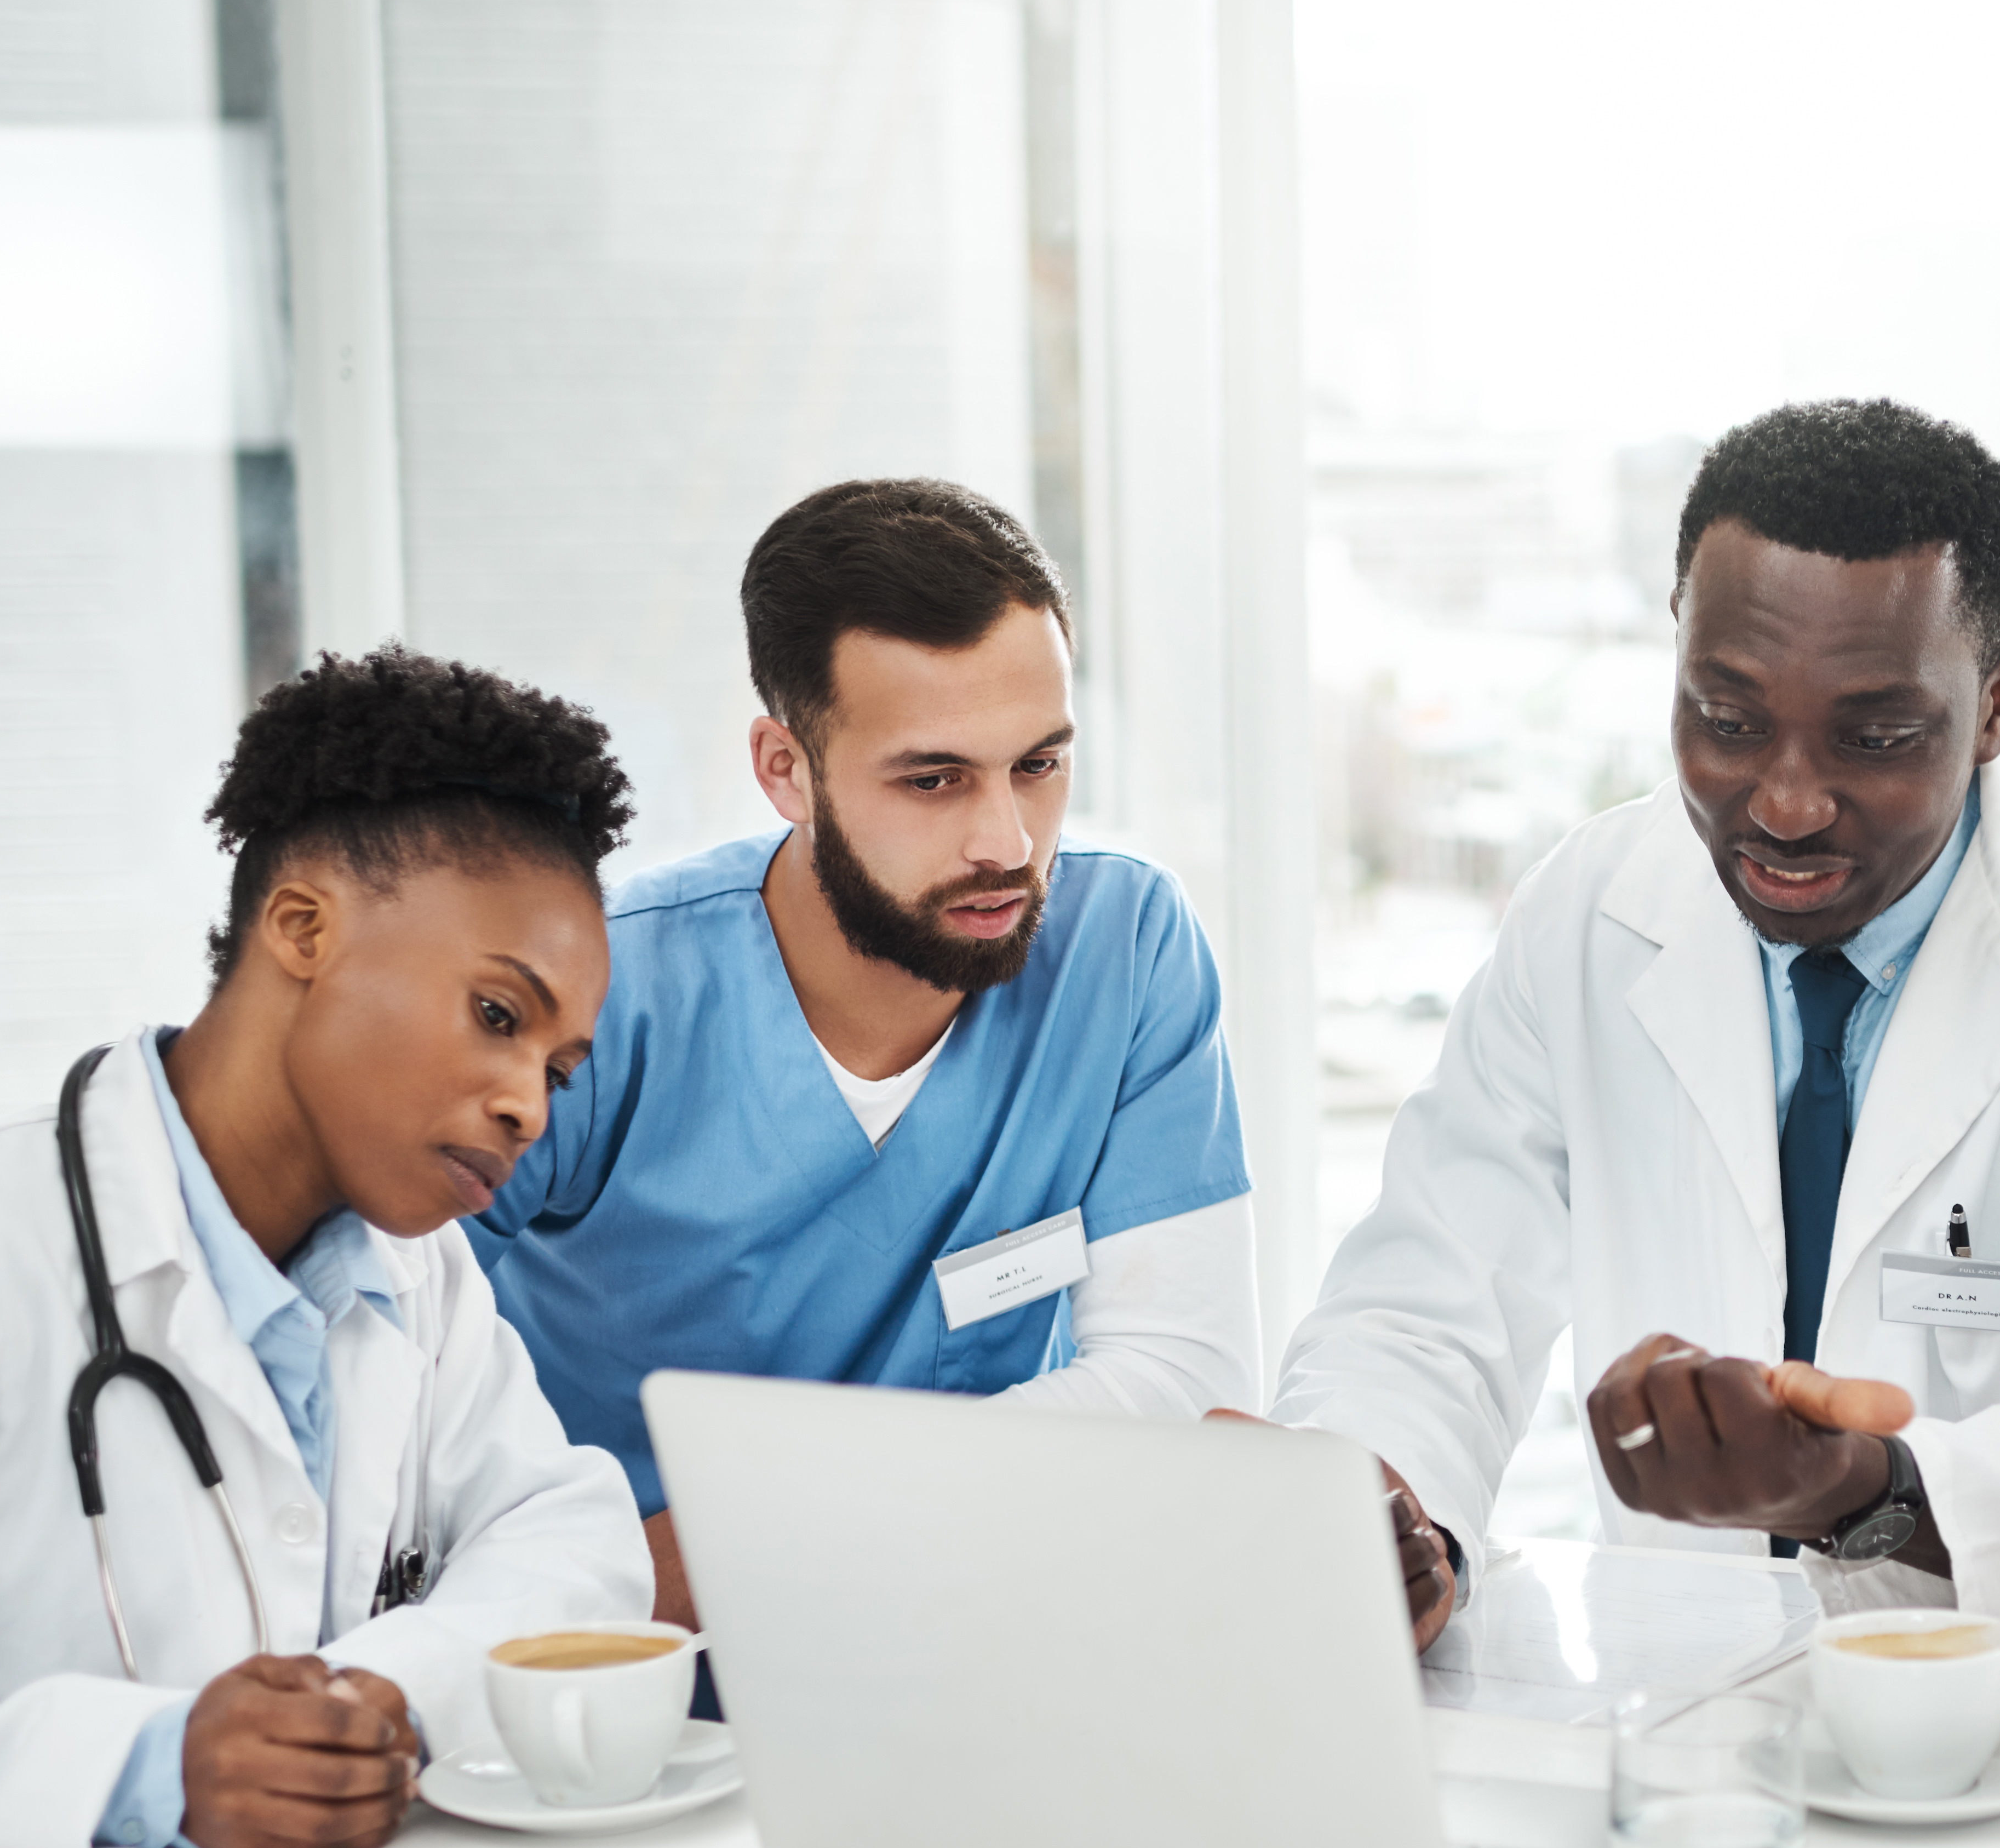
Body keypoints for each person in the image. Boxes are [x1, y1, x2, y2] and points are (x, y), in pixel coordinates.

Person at [1273, 399, 2000, 1655]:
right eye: (1725, 719)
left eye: (1874, 737)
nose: (1784, 801)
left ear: (1998, 698)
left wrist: (1870, 1490)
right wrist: (1394, 1515)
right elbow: (1425, 1304)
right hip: (1684, 1693)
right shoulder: (1589, 911)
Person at [460, 483, 1425, 1649]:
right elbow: (402, 1392)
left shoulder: (1123, 948)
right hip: (643, 1686)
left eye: (1039, 765)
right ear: (785, 768)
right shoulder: (603, 991)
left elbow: (1182, 1379)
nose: (1006, 843)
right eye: (933, 779)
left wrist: (740, 1535)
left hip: (989, 1650)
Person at [0, 650, 655, 1848]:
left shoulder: (421, 1277)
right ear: (303, 928)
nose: (527, 1102)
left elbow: (568, 1537)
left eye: (560, 1068)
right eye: (497, 1015)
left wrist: (379, 1696)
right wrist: (142, 1766)